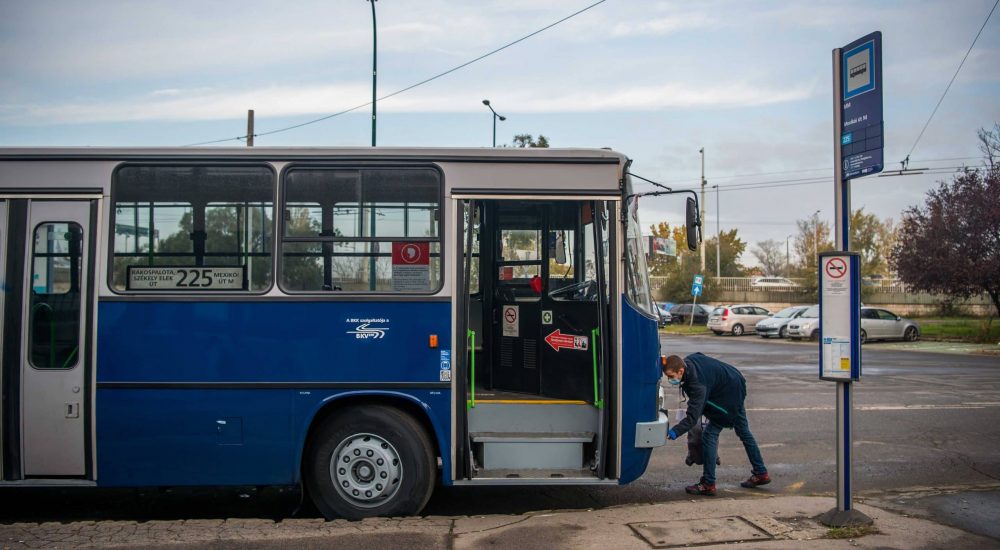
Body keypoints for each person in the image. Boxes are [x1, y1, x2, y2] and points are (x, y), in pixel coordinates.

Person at [663, 352, 769, 496]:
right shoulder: (689, 362)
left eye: (671, 376)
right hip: (734, 383)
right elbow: (701, 356)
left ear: (681, 371)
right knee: (744, 432)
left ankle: (708, 483)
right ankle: (761, 472)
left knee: (709, 436)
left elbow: (692, 417)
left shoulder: (697, 385)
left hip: (729, 396)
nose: (670, 380)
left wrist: (674, 431)